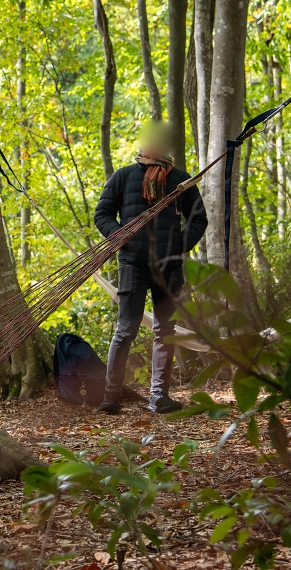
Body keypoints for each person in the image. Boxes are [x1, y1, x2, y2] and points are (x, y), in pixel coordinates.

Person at [92, 121, 207, 415]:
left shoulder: (180, 180)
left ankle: (159, 396)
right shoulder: (124, 176)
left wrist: (181, 244)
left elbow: (199, 219)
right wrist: (122, 237)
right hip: (132, 263)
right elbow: (102, 214)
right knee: (126, 329)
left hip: (169, 266)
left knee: (164, 330)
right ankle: (111, 396)